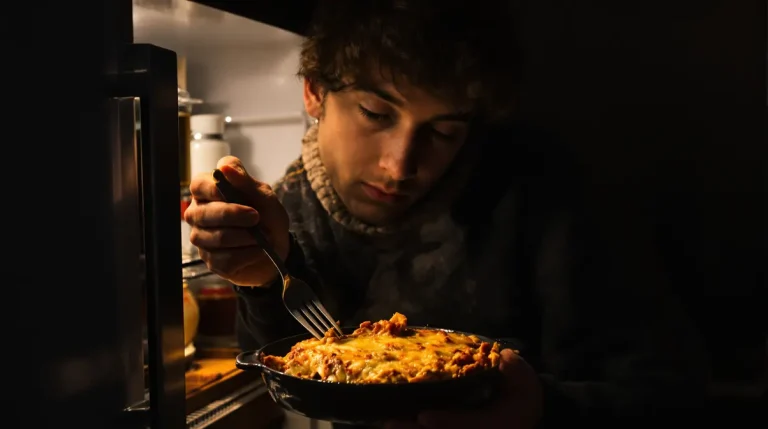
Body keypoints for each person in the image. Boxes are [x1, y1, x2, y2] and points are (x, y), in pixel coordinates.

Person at [184, 1, 708, 427]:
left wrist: (544, 410)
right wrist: (261, 279)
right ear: (314, 91)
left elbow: (668, 392)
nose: (399, 166)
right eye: (375, 113)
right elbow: (283, 370)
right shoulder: (285, 211)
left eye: (443, 131)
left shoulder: (544, 196)